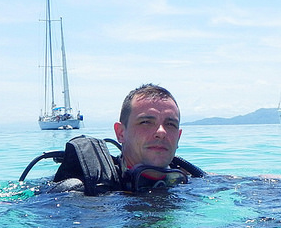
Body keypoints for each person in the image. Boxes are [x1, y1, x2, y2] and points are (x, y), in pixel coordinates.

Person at [20, 83, 204, 195]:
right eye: (146, 122)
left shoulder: (196, 184)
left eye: (170, 124)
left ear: (178, 137)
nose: (161, 132)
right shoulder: (82, 189)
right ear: (120, 133)